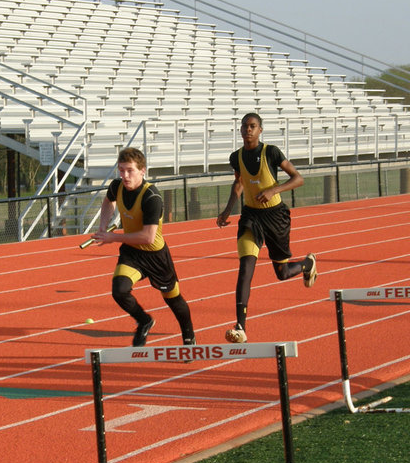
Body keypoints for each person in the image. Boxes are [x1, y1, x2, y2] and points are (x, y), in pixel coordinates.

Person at [216, 113, 317, 344]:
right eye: (244, 126)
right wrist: (227, 210)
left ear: (260, 130)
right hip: (251, 216)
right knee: (245, 267)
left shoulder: (271, 152)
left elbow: (298, 178)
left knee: (281, 273)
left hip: (275, 216)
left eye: (252, 126)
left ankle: (307, 263)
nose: (247, 130)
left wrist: (273, 190)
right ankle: (240, 326)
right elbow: (239, 183)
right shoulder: (236, 157)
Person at [91, 147, 195, 347]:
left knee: (173, 299)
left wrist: (112, 236)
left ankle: (188, 334)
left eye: (130, 170)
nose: (125, 175)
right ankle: (144, 320)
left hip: (155, 255)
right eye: (121, 170)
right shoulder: (117, 186)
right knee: (119, 290)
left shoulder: (151, 197)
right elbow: (108, 202)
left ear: (142, 171)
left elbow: (148, 237)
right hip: (132, 252)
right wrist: (103, 225)